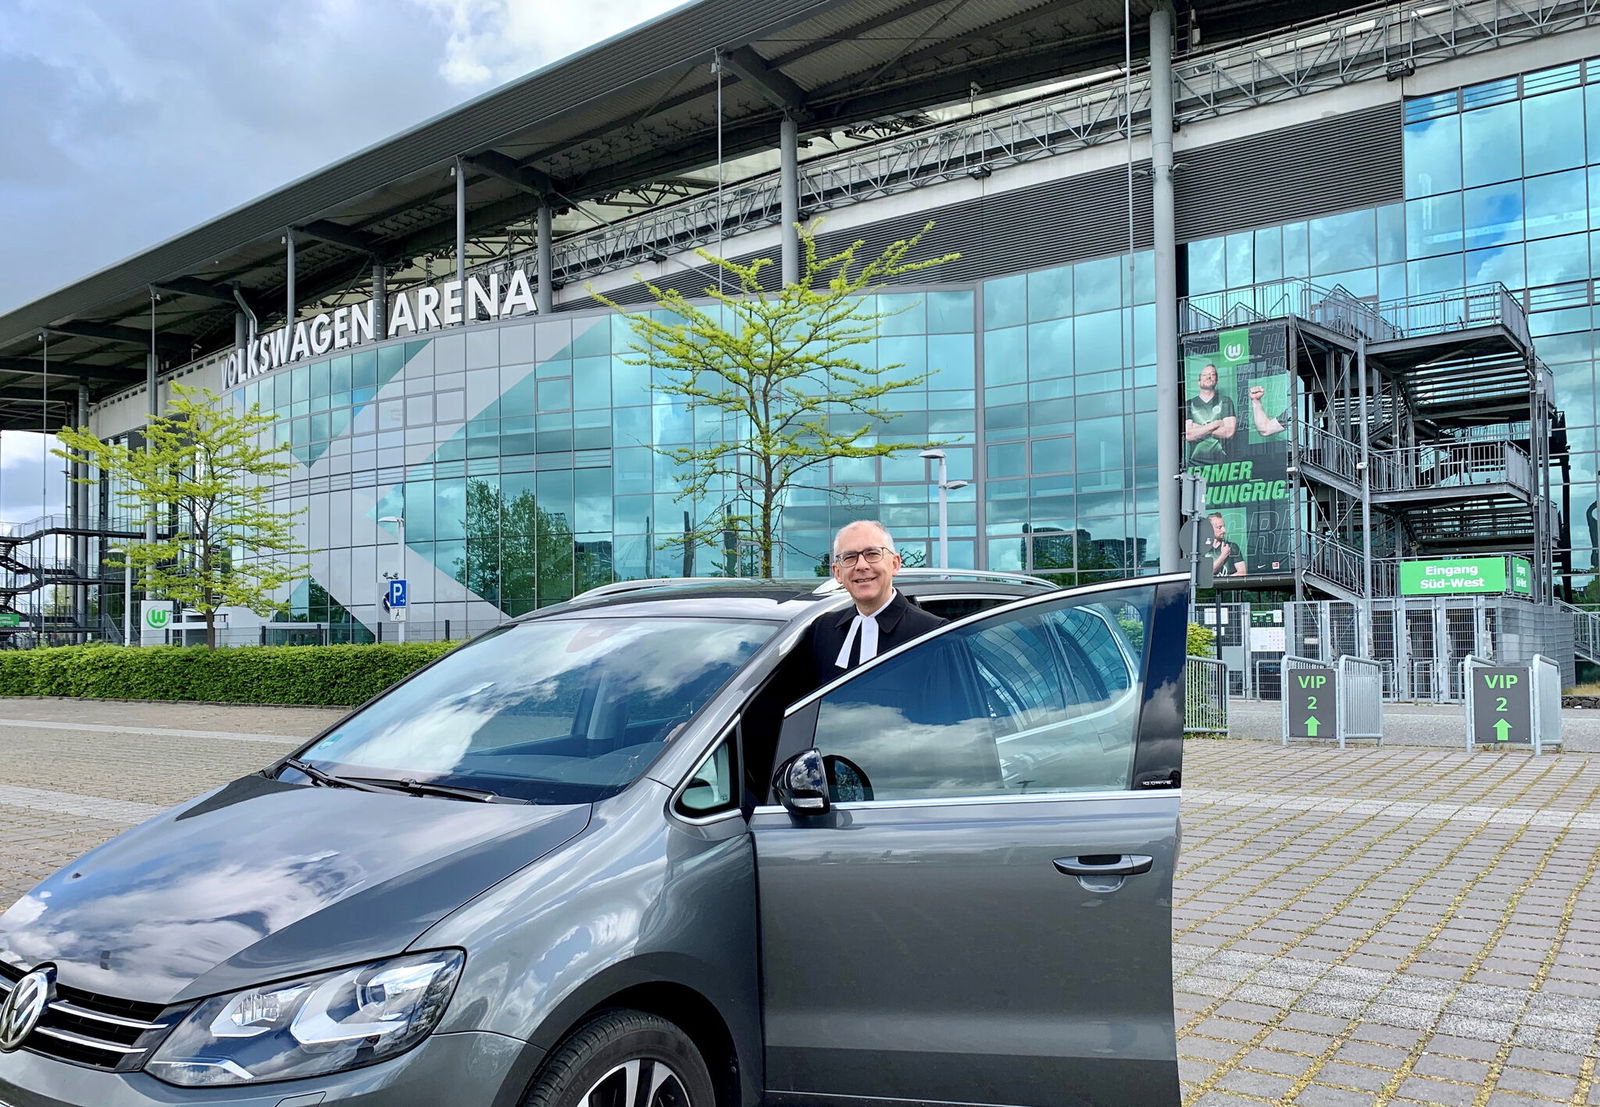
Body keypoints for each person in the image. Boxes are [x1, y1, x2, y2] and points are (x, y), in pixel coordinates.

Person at [809, 520, 946, 684]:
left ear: (895, 564)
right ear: (837, 572)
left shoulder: (935, 635)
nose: (861, 565)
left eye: (872, 554)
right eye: (849, 557)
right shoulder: (822, 630)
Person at [1185, 363, 1236, 462]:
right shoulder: (1188, 404)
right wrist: (1215, 424)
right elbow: (1188, 435)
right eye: (1205, 375)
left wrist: (1199, 428)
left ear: (1216, 381)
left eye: (1212, 374)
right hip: (1196, 463)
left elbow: (1229, 432)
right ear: (1198, 382)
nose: (1209, 377)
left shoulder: (1225, 401)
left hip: (1223, 462)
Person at [1205, 512, 1246, 579]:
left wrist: (1225, 581)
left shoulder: (1232, 547)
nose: (1224, 530)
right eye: (1219, 527)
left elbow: (1242, 572)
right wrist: (1223, 556)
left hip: (1228, 588)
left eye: (1224, 526)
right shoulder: (1202, 549)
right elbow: (1206, 573)